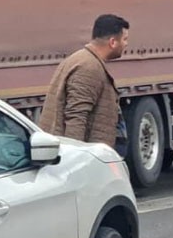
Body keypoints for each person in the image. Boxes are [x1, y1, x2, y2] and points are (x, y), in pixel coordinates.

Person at [37, 14, 129, 150]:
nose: (126, 44)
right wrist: (76, 157)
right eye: (125, 39)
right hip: (83, 157)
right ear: (113, 42)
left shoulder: (83, 60)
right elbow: (76, 117)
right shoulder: (88, 68)